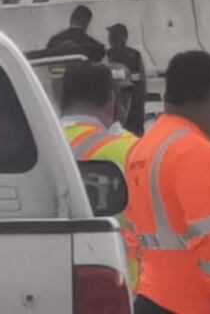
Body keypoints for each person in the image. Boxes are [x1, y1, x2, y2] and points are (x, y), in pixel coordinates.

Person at [126, 51, 210, 314]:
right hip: (194, 304)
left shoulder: (143, 148)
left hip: (155, 296)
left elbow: (134, 234)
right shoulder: (193, 151)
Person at [59, 62, 141, 289]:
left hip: (48, 285)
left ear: (60, 100)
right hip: (122, 283)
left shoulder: (33, 146)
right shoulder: (133, 151)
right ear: (111, 100)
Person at [107, 23, 147, 136]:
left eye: (113, 35)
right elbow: (142, 83)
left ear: (123, 37)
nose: (110, 38)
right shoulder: (134, 55)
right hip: (135, 103)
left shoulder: (107, 55)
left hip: (116, 104)